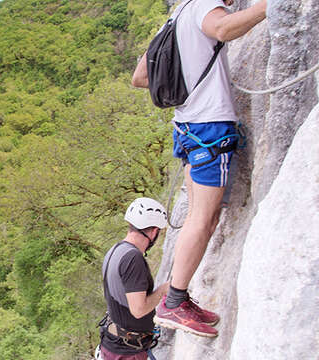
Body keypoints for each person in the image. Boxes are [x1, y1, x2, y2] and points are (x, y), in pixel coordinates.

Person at [130, 0, 268, 337]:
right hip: (209, 127)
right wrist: (269, 6)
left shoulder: (177, 14)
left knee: (202, 216)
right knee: (202, 218)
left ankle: (180, 298)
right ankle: (175, 302)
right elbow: (222, 28)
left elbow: (140, 76)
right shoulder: (204, 4)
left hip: (187, 125)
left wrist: (186, 80)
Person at [99, 198, 169, 360]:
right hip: (128, 350)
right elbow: (138, 310)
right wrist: (163, 290)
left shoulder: (116, 250)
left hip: (116, 342)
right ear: (154, 232)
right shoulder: (133, 258)